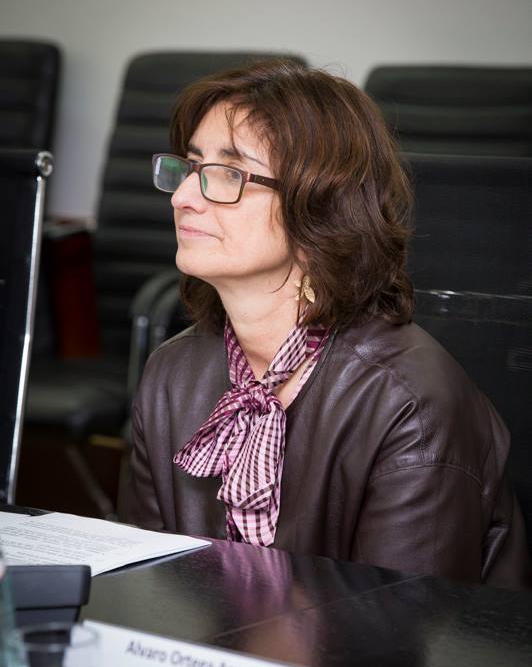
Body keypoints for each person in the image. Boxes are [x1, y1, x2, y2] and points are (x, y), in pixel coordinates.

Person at [126, 59, 531, 589]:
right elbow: (143, 584)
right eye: (191, 166)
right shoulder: (170, 373)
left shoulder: (410, 403)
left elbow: (403, 628)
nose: (182, 197)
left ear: (320, 205)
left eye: (228, 173)